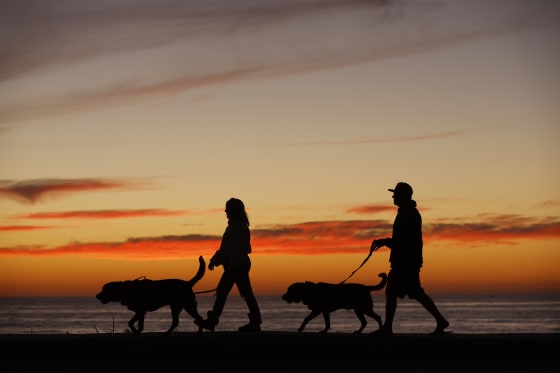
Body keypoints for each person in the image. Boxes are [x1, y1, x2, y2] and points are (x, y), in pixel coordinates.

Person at [370, 182, 449, 336]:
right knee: (415, 293)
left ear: (403, 196)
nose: (393, 196)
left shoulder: (409, 214)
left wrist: (385, 242)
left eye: (395, 194)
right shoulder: (406, 213)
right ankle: (440, 321)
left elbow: (404, 241)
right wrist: (386, 242)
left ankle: (387, 328)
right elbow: (403, 240)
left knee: (393, 292)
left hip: (405, 262)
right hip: (407, 261)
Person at [195, 197, 262, 332]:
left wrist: (216, 261)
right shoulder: (238, 226)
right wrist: (218, 260)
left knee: (227, 293)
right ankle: (254, 321)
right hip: (237, 265)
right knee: (236, 293)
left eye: (227, 208)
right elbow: (229, 249)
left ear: (233, 210)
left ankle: (213, 321)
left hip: (236, 266)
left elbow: (229, 249)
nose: (225, 211)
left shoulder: (236, 227)